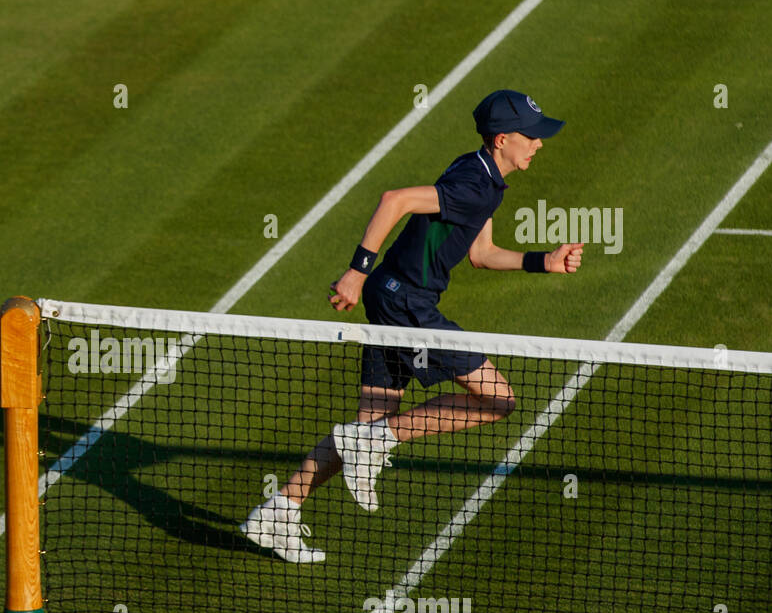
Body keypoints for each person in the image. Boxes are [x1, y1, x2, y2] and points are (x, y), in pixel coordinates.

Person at [242, 90, 583, 563]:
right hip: (407, 303)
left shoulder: (484, 176)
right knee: (498, 399)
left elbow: (480, 254)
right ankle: (377, 441)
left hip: (395, 297)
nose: (539, 144)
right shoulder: (473, 184)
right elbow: (395, 199)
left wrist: (542, 261)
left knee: (364, 425)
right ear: (502, 139)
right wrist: (356, 271)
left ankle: (278, 511)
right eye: (531, 136)